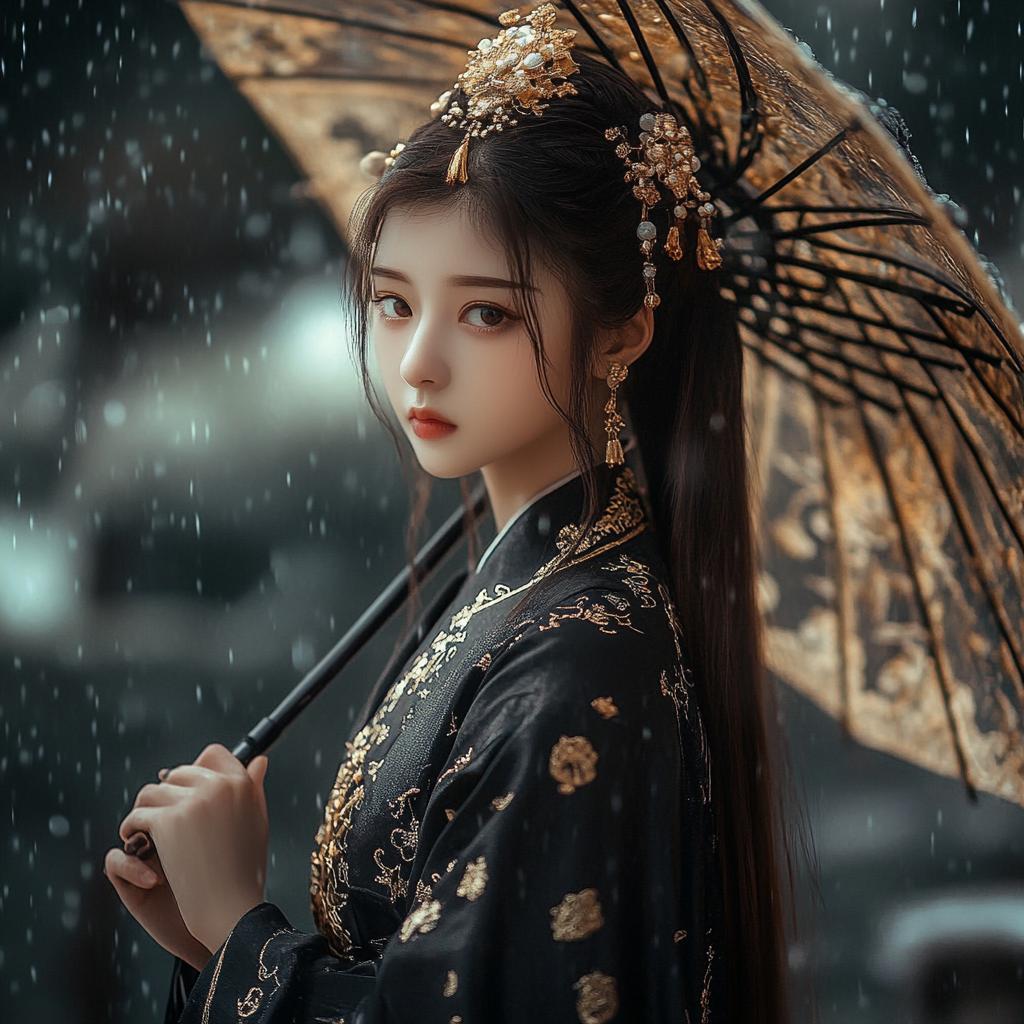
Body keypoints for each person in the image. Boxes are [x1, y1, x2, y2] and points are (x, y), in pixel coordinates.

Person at [105, 7, 789, 1022]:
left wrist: (247, 932)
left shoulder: (575, 663)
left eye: (486, 311)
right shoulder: (528, 597)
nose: (418, 360)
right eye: (391, 301)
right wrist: (209, 945)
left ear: (623, 331)